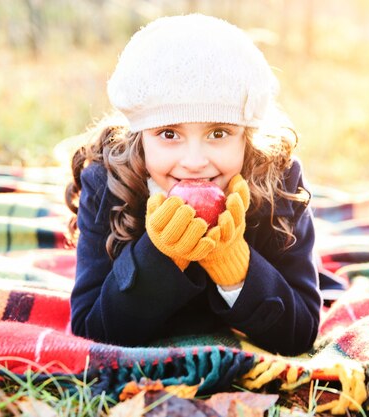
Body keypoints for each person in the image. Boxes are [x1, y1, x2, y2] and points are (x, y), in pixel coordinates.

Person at [65, 14, 324, 356]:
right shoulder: (106, 182)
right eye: (169, 134)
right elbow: (91, 329)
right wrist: (162, 255)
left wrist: (236, 267)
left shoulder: (278, 180)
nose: (194, 161)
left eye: (218, 133)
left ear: (247, 135)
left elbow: (300, 332)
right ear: (140, 136)